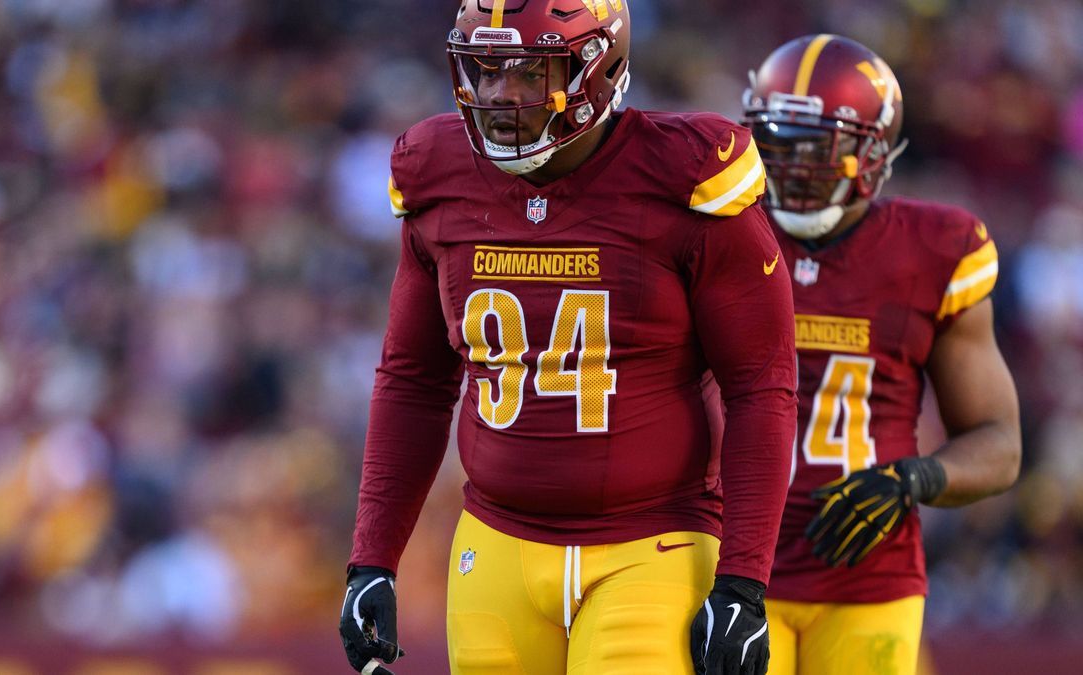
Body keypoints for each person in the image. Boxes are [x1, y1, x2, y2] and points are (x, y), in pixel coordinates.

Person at [337, 1, 798, 674]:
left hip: (652, 547)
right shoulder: (435, 171)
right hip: (494, 546)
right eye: (486, 70)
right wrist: (371, 558)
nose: (499, 95)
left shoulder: (687, 175)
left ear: (600, 69)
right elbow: (413, 381)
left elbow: (762, 386)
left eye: (529, 73)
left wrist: (744, 580)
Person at [738, 34, 1022, 675]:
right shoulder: (715, 230)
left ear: (870, 151)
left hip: (866, 575)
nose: (787, 165)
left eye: (812, 148)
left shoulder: (935, 249)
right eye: (775, 143)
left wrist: (913, 479)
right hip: (726, 567)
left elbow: (999, 442)